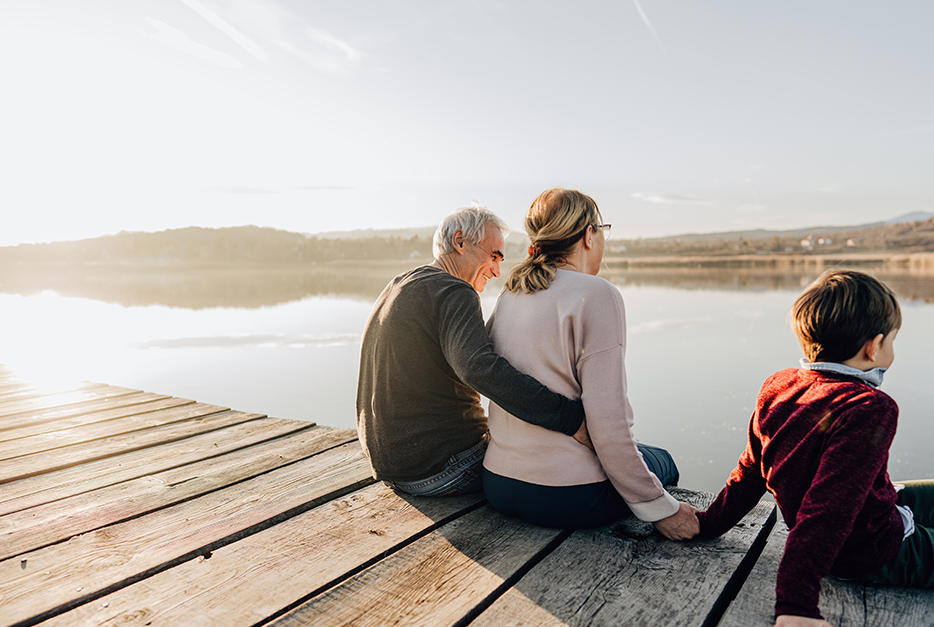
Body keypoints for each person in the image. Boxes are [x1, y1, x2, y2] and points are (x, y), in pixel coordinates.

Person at [696, 269, 934, 627]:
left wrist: (708, 524)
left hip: (868, 514)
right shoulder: (869, 408)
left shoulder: (780, 385)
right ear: (874, 346)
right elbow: (828, 511)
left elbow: (751, 471)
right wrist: (796, 605)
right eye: (892, 341)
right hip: (870, 551)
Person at [481, 188, 699, 539]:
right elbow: (608, 423)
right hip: (567, 497)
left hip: (498, 484)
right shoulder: (596, 294)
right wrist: (663, 510)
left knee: (641, 454)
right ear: (588, 235)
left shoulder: (511, 293)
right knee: (663, 460)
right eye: (602, 230)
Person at [356, 203, 588, 498]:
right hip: (443, 468)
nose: (497, 270)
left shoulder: (400, 284)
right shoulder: (453, 291)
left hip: (392, 468)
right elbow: (479, 368)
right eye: (494, 256)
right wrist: (569, 419)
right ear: (460, 242)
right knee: (569, 461)